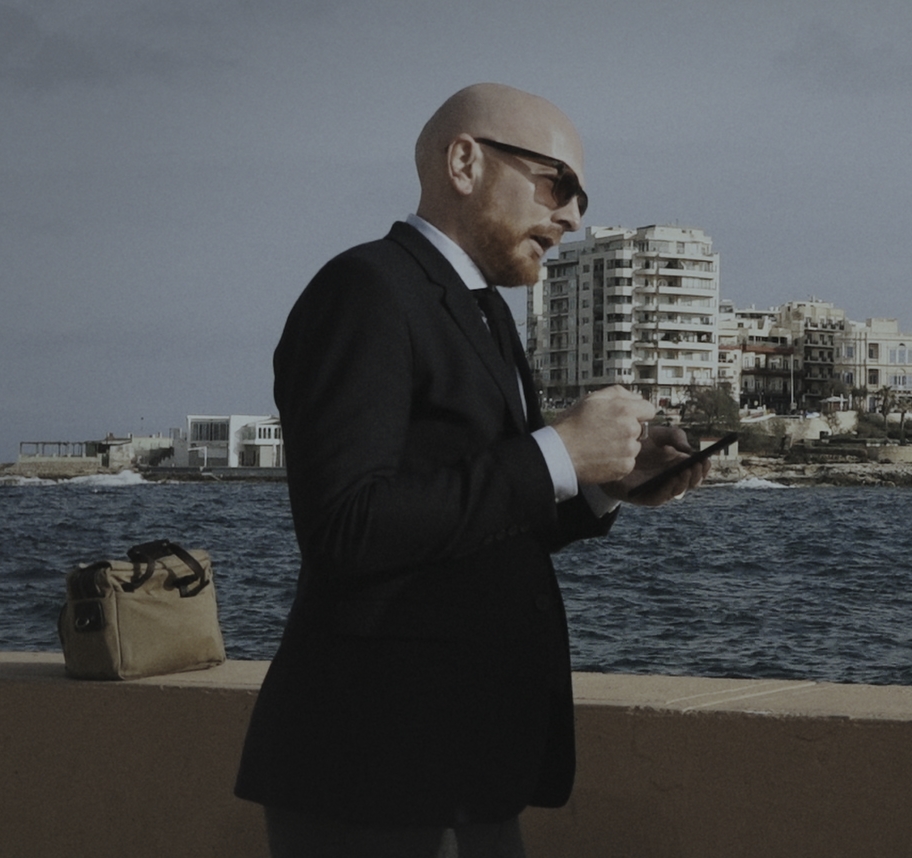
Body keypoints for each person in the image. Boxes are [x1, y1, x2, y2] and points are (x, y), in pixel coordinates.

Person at [234, 83, 708, 858]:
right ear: (464, 163)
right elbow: (346, 526)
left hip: (461, 766)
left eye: (581, 197)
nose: (572, 216)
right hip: (374, 770)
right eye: (557, 183)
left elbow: (488, 521)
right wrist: (557, 452)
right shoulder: (366, 290)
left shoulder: (484, 313)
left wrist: (603, 481)